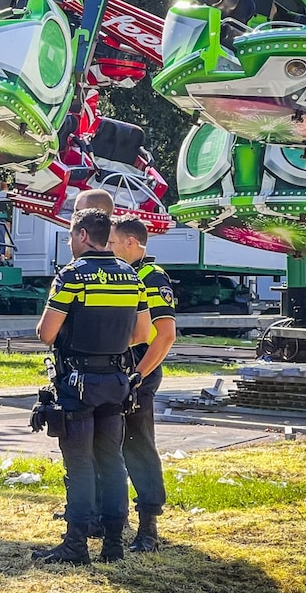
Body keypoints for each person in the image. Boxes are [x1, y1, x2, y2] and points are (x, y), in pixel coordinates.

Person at [32, 208, 150, 564]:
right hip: (115, 382)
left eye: (70, 235)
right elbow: (142, 334)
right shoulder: (131, 276)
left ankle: (76, 546)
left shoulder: (72, 275)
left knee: (80, 466)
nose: (69, 242)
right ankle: (114, 545)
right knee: (112, 462)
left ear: (83, 235)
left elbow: (46, 333)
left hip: (77, 383)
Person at [108, 215, 176, 552]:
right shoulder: (126, 276)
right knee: (112, 445)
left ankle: (148, 526)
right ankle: (113, 518)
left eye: (112, 243)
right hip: (120, 370)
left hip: (140, 371)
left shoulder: (152, 276)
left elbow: (165, 336)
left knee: (137, 445)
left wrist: (138, 376)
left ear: (130, 242)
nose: (109, 249)